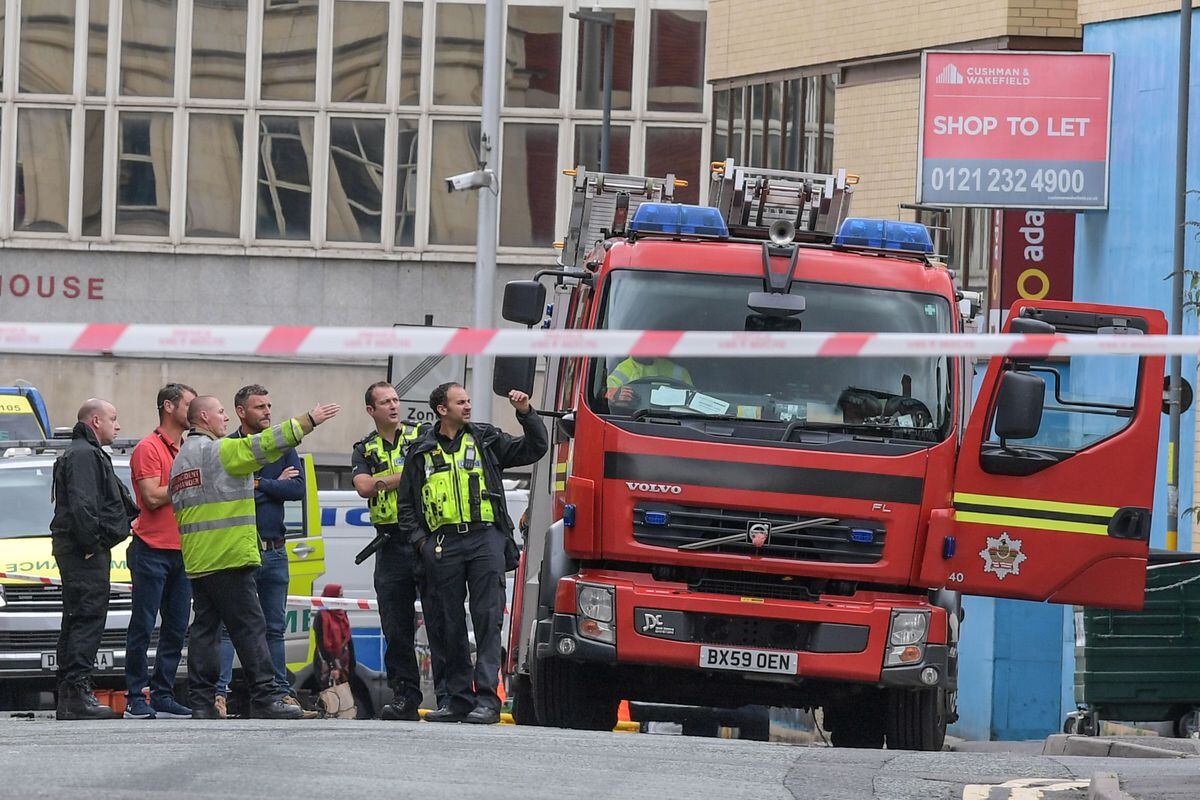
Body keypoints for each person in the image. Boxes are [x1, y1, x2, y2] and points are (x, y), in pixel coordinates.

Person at [170, 395, 340, 720]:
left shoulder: (181, 460)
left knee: (205, 631)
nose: (224, 418)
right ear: (203, 417)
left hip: (198, 559)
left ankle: (203, 702)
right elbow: (262, 444)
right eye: (221, 412)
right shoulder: (220, 452)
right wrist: (309, 419)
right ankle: (266, 696)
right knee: (251, 626)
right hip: (229, 555)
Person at [397, 382, 547, 724]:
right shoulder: (421, 450)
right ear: (441, 409)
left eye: (468, 400)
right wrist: (422, 542)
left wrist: (525, 414)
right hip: (442, 545)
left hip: (484, 539)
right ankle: (458, 699)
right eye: (460, 402)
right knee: (448, 622)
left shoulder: (485, 438)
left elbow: (536, 447)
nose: (468, 406)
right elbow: (406, 505)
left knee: (487, 619)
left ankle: (488, 702)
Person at [215, 384, 312, 719]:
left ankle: (281, 694)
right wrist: (272, 485)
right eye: (260, 407)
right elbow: (230, 494)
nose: (268, 411)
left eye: (269, 405)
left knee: (274, 627)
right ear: (241, 411)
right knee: (229, 628)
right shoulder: (228, 447)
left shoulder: (282, 445)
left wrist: (258, 483)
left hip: (275, 550)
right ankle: (220, 695)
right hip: (241, 550)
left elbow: (297, 489)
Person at [351, 381, 443, 721]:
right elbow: (362, 487)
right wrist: (405, 475)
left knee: (439, 619)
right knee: (396, 626)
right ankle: (405, 697)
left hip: (424, 537)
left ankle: (448, 695)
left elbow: (426, 471)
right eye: (385, 402)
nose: (393, 406)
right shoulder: (365, 448)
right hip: (389, 544)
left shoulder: (420, 435)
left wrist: (382, 480)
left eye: (395, 400)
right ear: (371, 410)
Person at [50, 399, 139, 720]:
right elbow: (83, 504)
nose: (118, 425)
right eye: (113, 419)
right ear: (96, 420)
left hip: (80, 549)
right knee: (87, 618)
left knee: (77, 619)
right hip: (83, 551)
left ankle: (70, 696)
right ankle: (76, 693)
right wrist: (91, 543)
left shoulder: (83, 453)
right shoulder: (85, 455)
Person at [123, 383, 197, 720]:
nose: (194, 413)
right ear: (169, 407)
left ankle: (163, 693)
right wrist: (189, 481)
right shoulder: (148, 448)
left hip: (183, 551)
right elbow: (151, 497)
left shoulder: (189, 447)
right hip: (151, 549)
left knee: (177, 626)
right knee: (143, 624)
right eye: (189, 405)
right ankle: (136, 696)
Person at [605, 356, 693, 409]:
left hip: (676, 424)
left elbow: (693, 401)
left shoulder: (679, 371)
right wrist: (618, 401)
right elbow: (606, 401)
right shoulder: (618, 374)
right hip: (635, 425)